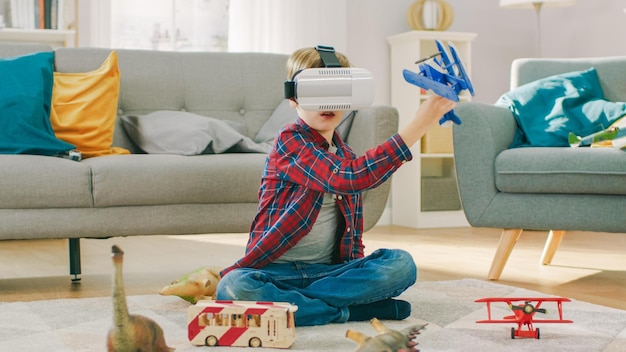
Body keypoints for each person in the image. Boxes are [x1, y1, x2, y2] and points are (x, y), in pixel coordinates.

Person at [216, 46, 456, 326]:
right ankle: (349, 311)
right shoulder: (289, 142)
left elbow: (352, 235)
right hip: (275, 272)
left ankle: (295, 305)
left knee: (401, 264)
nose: (327, 103)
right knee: (234, 287)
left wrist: (358, 272)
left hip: (330, 273)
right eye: (316, 92)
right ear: (293, 98)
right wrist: (421, 122)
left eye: (337, 91)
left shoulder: (347, 155)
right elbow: (348, 177)